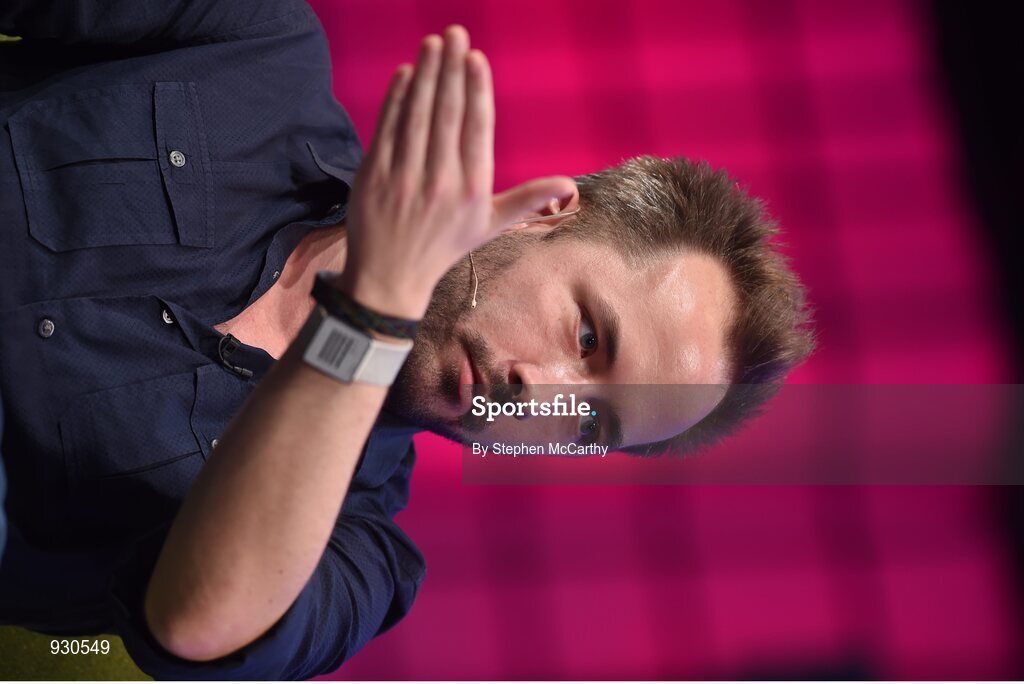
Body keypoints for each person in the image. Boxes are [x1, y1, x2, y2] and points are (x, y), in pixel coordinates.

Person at [0, 0, 815, 679]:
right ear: (546, 214)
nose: (543, 395)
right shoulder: (253, 46)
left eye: (589, 423)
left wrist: (373, 314)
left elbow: (195, 623)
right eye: (589, 335)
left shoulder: (359, 557)